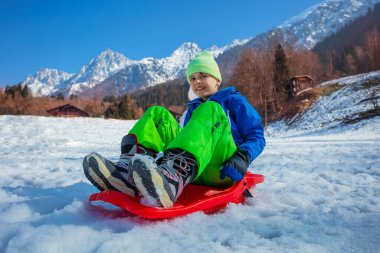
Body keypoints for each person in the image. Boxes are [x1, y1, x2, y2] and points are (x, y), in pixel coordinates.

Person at [83, 51, 265, 208]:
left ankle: (172, 181)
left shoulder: (232, 101)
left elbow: (256, 134)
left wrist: (242, 157)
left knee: (211, 108)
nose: (197, 81)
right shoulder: (192, 110)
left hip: (224, 168)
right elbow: (189, 141)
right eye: (192, 78)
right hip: (195, 170)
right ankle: (126, 176)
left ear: (217, 80)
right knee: (157, 114)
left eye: (203, 75)